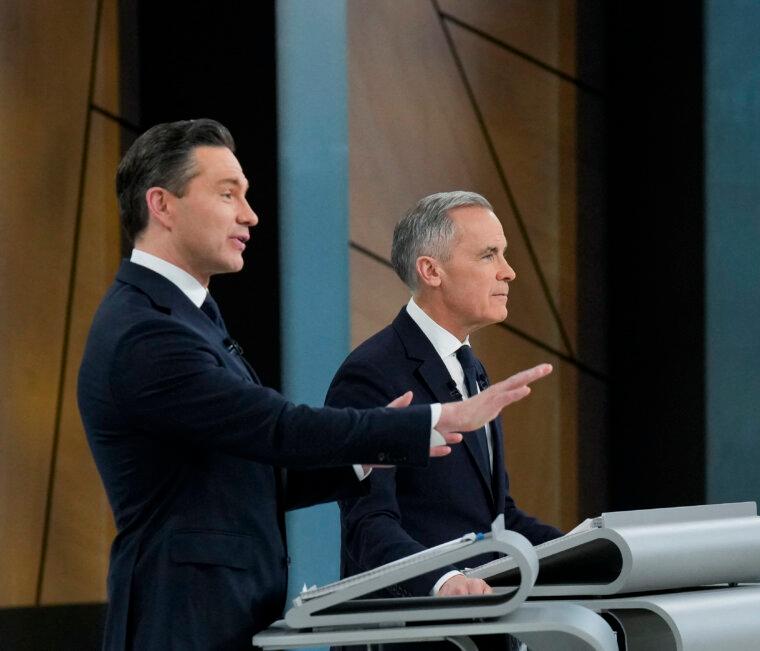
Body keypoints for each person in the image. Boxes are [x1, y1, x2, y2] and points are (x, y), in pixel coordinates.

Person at [77, 120, 550, 650]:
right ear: (162, 205)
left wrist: (363, 457)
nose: (250, 214)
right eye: (228, 194)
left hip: (217, 615)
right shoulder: (147, 332)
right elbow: (276, 427)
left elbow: (250, 475)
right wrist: (424, 423)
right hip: (179, 620)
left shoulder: (189, 318)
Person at [327, 192, 562, 611]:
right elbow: (368, 524)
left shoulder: (472, 368)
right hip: (410, 626)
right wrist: (444, 581)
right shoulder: (371, 373)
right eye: (489, 255)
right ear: (431, 270)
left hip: (479, 623)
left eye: (503, 254)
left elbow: (497, 517)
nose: (508, 271)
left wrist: (596, 550)